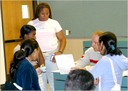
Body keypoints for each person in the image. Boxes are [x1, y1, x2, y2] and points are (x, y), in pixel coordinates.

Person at [28, 2, 66, 91]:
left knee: (53, 80)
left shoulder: (54, 23)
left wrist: (59, 52)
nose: (45, 16)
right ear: (37, 13)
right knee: (40, 80)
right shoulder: (32, 23)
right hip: (37, 55)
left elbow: (63, 39)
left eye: (47, 13)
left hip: (52, 55)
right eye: (42, 13)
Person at [13, 24, 45, 90]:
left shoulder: (34, 46)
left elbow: (40, 60)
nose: (35, 37)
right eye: (33, 34)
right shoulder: (26, 66)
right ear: (25, 35)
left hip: (36, 72)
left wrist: (41, 67)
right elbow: (27, 88)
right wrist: (33, 71)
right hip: (31, 72)